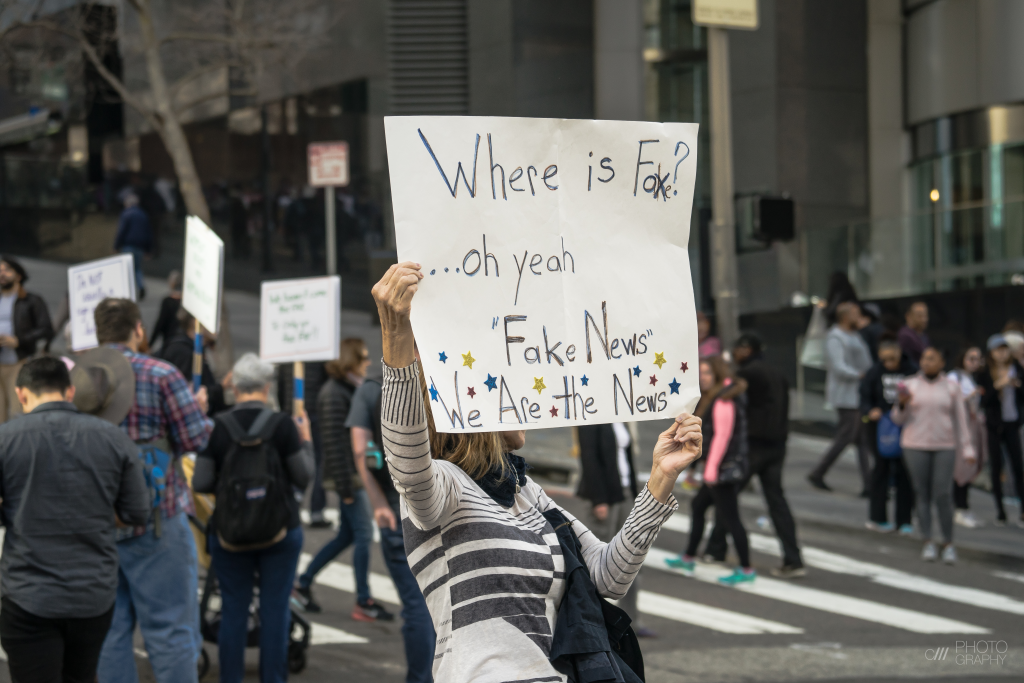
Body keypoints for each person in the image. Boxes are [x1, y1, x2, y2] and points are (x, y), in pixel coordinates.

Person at [372, 262, 702, 682]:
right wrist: (397, 338)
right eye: (511, 381)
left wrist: (660, 477)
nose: (527, 388)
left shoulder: (526, 492)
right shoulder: (444, 487)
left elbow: (609, 577)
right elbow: (407, 466)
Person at [0, 357, 149, 683]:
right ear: (69, 392)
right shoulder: (114, 438)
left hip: (29, 595)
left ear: (21, 394)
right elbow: (138, 513)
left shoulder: (5, 439)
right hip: (92, 596)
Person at [92, 298, 214, 683]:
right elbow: (196, 438)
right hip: (159, 518)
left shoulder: (77, 376)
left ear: (97, 331)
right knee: (171, 630)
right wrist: (199, 409)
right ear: (139, 329)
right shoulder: (162, 374)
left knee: (109, 633)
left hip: (97, 520)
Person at [192, 354, 314, 683]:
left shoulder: (217, 426)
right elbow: (303, 476)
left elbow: (200, 482)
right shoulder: (284, 425)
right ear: (266, 386)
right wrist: (306, 442)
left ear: (236, 387)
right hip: (279, 530)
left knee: (233, 609)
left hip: (229, 531)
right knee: (275, 611)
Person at [294, 339, 394, 622]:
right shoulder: (334, 393)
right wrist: (346, 489)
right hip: (349, 477)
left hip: (352, 476)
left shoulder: (349, 389)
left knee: (347, 536)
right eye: (362, 356)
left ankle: (303, 582)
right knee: (363, 535)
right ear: (349, 359)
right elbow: (335, 446)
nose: (368, 361)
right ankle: (363, 600)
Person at [345, 365, 433, 682]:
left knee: (416, 604)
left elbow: (361, 451)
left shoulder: (371, 387)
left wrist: (379, 503)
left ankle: (421, 678)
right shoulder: (436, 376)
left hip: (396, 508)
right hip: (440, 502)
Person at [705, 333, 805, 577]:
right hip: (777, 446)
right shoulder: (777, 373)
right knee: (776, 501)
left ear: (747, 350)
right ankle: (793, 559)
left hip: (753, 446)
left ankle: (716, 549)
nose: (735, 354)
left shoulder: (747, 375)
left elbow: (735, 407)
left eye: (738, 349)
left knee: (726, 497)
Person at [666, 357, 754, 585]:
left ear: (716, 374)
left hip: (723, 471)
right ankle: (688, 557)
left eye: (706, 373)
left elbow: (722, 438)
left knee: (731, 519)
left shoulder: (723, 399)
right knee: (698, 506)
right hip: (718, 469)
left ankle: (746, 570)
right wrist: (697, 468)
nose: (702, 377)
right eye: (700, 372)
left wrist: (711, 471)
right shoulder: (716, 397)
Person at [891, 346, 975, 563]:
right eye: (924, 359)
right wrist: (902, 404)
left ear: (941, 363)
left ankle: (948, 542)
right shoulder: (910, 385)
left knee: (943, 494)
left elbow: (961, 420)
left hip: (944, 445)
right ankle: (927, 540)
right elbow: (897, 419)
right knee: (921, 493)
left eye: (932, 359)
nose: (927, 363)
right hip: (914, 444)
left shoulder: (952, 387)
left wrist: (967, 447)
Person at [575, 421, 655, 636]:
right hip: (603, 496)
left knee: (632, 555)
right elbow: (589, 458)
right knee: (596, 561)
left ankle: (631, 622)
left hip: (625, 492)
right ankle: (589, 623)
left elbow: (627, 458)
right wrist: (598, 499)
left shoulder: (622, 417)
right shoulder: (592, 415)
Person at [808, 301, 873, 493]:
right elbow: (838, 366)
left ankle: (869, 483)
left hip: (858, 394)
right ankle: (818, 472)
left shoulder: (854, 335)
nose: (858, 316)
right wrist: (861, 375)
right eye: (855, 313)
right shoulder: (835, 337)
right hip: (846, 396)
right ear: (845, 316)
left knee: (861, 440)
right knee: (846, 437)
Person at [860, 338, 917, 534]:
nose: (889, 364)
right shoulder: (874, 372)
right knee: (880, 471)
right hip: (880, 427)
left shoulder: (911, 371)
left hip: (905, 426)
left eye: (892, 359)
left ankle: (904, 520)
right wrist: (870, 411)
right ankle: (877, 517)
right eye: (885, 360)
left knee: (904, 473)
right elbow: (864, 396)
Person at [975, 334, 1024, 527]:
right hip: (994, 425)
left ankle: (1022, 511)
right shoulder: (985, 372)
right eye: (998, 350)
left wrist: (1017, 386)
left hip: (1012, 422)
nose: (1002, 353)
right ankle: (1000, 512)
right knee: (996, 467)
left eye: (1005, 349)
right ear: (991, 353)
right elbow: (984, 402)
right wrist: (998, 386)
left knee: (1018, 466)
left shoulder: (1017, 369)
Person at [0, 256, 53, 423]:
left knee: (17, 411)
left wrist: (19, 341)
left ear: (18, 276)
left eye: (7, 270)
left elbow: (46, 329)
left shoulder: (31, 301)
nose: (2, 274)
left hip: (19, 363)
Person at [277, 360, 328, 526]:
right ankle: (316, 510)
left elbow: (281, 388)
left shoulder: (288, 356)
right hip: (314, 412)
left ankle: (294, 501)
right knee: (318, 460)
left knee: (291, 459)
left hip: (291, 412)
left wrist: (285, 411)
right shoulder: (320, 354)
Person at [158, 308, 228, 416]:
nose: (219, 325)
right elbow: (187, 394)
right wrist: (222, 386)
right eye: (213, 320)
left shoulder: (196, 349)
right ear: (196, 323)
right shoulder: (183, 352)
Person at [949, 346, 986, 528]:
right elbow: (949, 401)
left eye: (978, 359)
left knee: (969, 467)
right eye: (971, 358)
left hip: (972, 429)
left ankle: (963, 507)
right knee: (960, 468)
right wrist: (968, 397)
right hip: (958, 430)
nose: (974, 362)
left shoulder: (974, 378)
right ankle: (959, 508)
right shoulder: (954, 377)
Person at [113, 194, 153, 300]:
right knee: (137, 269)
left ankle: (126, 292)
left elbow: (121, 231)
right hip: (140, 247)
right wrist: (148, 250)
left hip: (128, 245)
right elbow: (148, 233)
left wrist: (116, 246)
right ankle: (141, 286)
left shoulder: (126, 214)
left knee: (126, 269)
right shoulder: (144, 215)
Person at [149, 270, 183, 356]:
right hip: (183, 342)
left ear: (172, 283)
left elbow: (160, 324)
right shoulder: (186, 302)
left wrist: (150, 344)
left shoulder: (167, 301)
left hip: (169, 343)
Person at [897, 301, 930, 366]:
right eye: (919, 316)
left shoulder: (923, 335)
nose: (924, 319)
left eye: (925, 315)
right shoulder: (905, 336)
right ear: (908, 316)